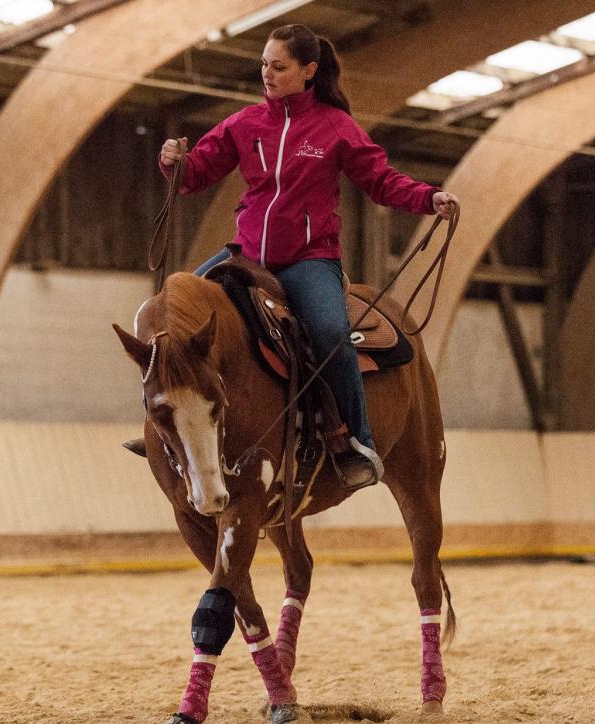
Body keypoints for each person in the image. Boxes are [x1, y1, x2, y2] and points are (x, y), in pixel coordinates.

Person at [154, 23, 458, 490]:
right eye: (264, 65)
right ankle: (164, 432)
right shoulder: (245, 123)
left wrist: (427, 198)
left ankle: (356, 440)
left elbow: (381, 180)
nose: (268, 75)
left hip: (309, 260)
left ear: (308, 71)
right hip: (247, 255)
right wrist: (176, 161)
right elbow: (197, 175)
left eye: (279, 67)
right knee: (170, 324)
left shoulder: (336, 127)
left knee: (331, 332)